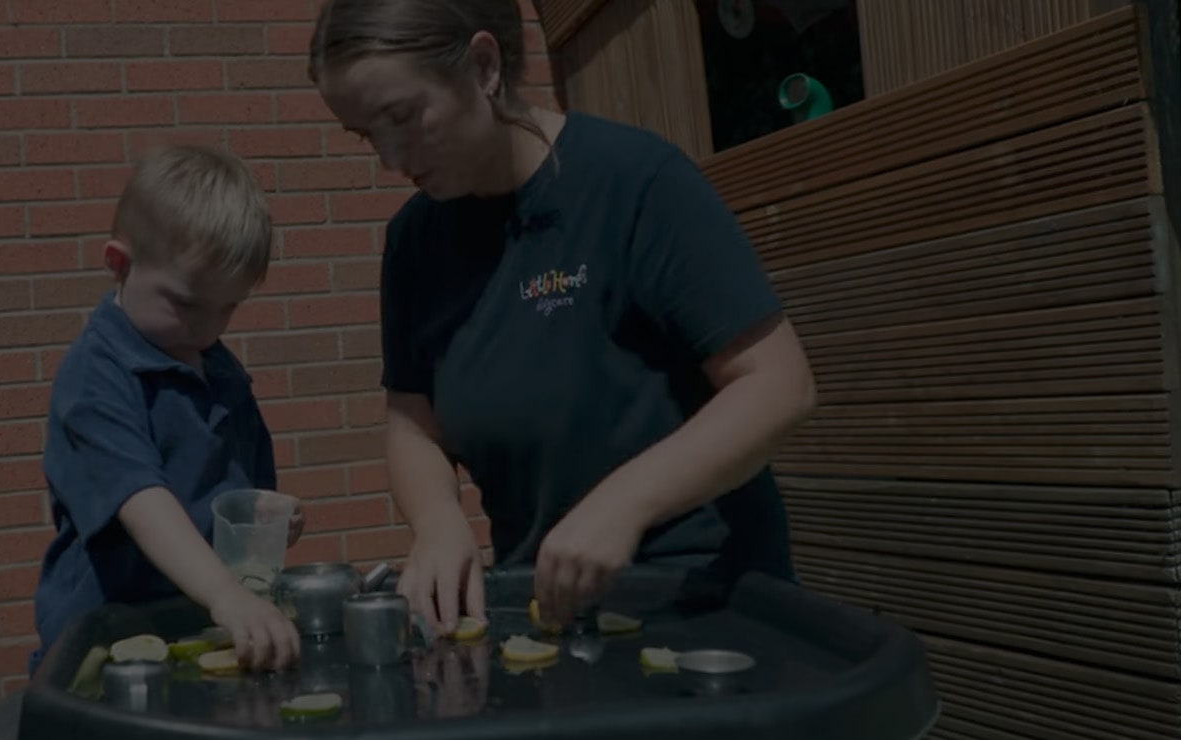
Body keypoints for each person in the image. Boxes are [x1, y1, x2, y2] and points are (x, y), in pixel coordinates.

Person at [307, 0, 820, 636]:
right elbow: (414, 428)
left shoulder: (636, 183)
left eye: (402, 117)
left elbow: (778, 386)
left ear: (484, 65)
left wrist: (625, 502)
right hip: (548, 608)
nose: (389, 157)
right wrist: (438, 523)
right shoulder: (415, 242)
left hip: (704, 601)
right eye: (365, 134)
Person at [29, 144, 305, 677]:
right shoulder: (97, 376)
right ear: (119, 263)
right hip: (105, 648)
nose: (208, 326)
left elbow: (229, 497)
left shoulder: (212, 364)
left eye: (228, 306)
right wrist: (227, 594)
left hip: (199, 634)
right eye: (186, 303)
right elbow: (142, 501)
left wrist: (266, 516)